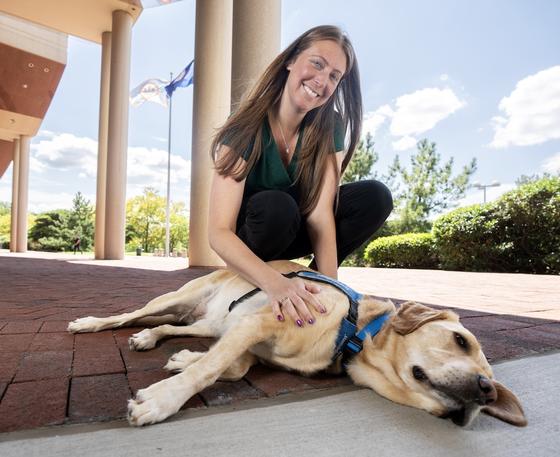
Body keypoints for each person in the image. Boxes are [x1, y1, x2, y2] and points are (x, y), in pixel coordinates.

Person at [208, 25, 393, 327]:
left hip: (295, 229)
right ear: (291, 60)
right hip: (257, 233)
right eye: (317, 63)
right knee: (276, 205)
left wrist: (333, 294)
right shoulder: (244, 127)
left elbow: (321, 215)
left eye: (335, 76)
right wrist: (274, 283)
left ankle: (312, 290)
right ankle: (262, 283)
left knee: (375, 197)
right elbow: (218, 232)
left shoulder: (329, 125)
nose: (322, 81)